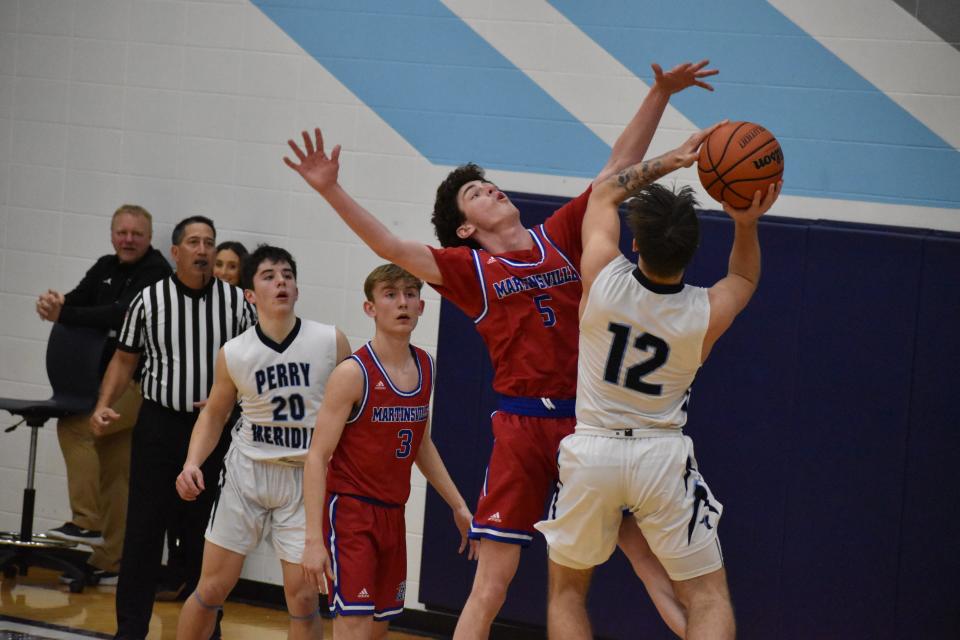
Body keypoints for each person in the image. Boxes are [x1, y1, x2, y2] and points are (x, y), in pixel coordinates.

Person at [284, 60, 717, 637]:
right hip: (520, 429)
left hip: (592, 426)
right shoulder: (470, 270)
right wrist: (332, 189)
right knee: (492, 584)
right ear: (464, 228)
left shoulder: (561, 234)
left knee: (642, 557)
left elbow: (615, 171)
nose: (490, 188)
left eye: (488, 183)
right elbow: (388, 242)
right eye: (474, 193)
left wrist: (660, 95)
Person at [534, 132, 781, 638]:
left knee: (566, 591)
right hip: (661, 458)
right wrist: (745, 222)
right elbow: (744, 278)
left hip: (593, 450)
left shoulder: (602, 278)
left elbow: (604, 192)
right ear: (691, 250)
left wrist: (675, 159)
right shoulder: (704, 312)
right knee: (707, 596)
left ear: (638, 242)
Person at [91, 215, 256, 640]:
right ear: (176, 252)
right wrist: (104, 404)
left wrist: (231, 400)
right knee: (144, 534)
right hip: (160, 426)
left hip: (214, 430)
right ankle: (130, 630)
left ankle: (206, 631)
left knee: (207, 538)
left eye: (209, 243)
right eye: (194, 243)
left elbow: (252, 366)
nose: (203, 250)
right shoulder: (147, 301)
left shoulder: (237, 304)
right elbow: (125, 359)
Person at [175, 245, 349, 640]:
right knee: (212, 589)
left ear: (297, 287)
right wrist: (192, 463)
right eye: (269, 276)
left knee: (303, 598)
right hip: (247, 474)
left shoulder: (330, 341)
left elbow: (352, 414)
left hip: (304, 480)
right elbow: (215, 414)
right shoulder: (235, 352)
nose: (281, 282)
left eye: (287, 274)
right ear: (250, 294)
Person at [301, 264, 475, 638]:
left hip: (393, 514)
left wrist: (458, 504)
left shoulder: (425, 365)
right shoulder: (353, 373)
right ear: (370, 308)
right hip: (351, 514)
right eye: (390, 294)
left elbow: (420, 444)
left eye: (410, 295)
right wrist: (313, 539)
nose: (402, 303)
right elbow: (317, 457)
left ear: (422, 306)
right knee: (355, 627)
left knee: (379, 628)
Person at [37, 204, 170, 584]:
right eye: (122, 233)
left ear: (149, 237)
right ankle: (112, 561)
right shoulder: (105, 267)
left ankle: (86, 521)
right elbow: (77, 299)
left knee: (78, 429)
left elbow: (120, 315)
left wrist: (65, 316)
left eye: (137, 234)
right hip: (104, 381)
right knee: (116, 471)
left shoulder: (156, 273)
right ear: (113, 235)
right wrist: (55, 304)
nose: (128, 240)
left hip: (141, 383)